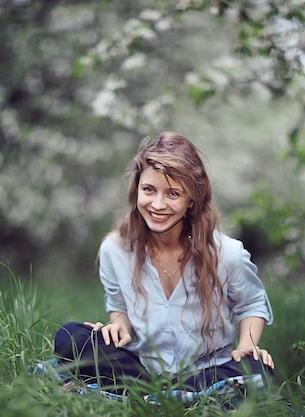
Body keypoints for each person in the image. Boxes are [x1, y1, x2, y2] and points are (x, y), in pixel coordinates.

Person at [52, 131, 274, 394]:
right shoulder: (115, 250)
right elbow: (118, 303)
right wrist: (119, 325)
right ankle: (172, 397)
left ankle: (146, 396)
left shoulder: (227, 253)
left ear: (192, 199)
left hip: (208, 371)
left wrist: (247, 344)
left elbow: (252, 303)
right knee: (70, 338)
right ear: (137, 190)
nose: (158, 204)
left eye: (172, 193)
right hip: (141, 367)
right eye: (149, 190)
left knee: (258, 368)